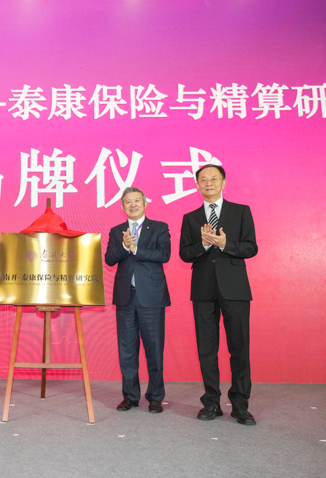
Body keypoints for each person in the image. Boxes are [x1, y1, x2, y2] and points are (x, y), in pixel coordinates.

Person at [179, 164, 258, 425]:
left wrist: (225, 244)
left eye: (214, 178)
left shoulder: (241, 211)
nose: (209, 183)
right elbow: (184, 253)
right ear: (197, 185)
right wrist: (203, 244)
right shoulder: (190, 218)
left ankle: (240, 404)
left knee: (239, 347)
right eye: (203, 179)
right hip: (203, 289)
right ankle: (211, 402)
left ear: (223, 182)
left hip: (235, 288)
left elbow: (251, 247)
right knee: (207, 349)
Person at [104, 187, 171, 414]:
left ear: (144, 203)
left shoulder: (159, 227)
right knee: (127, 350)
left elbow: (164, 255)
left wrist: (136, 249)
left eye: (136, 201)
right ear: (122, 206)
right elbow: (109, 258)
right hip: (125, 298)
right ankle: (130, 396)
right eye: (128, 202)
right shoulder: (117, 231)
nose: (132, 205)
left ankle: (155, 397)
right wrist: (124, 246)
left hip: (151, 297)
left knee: (154, 349)